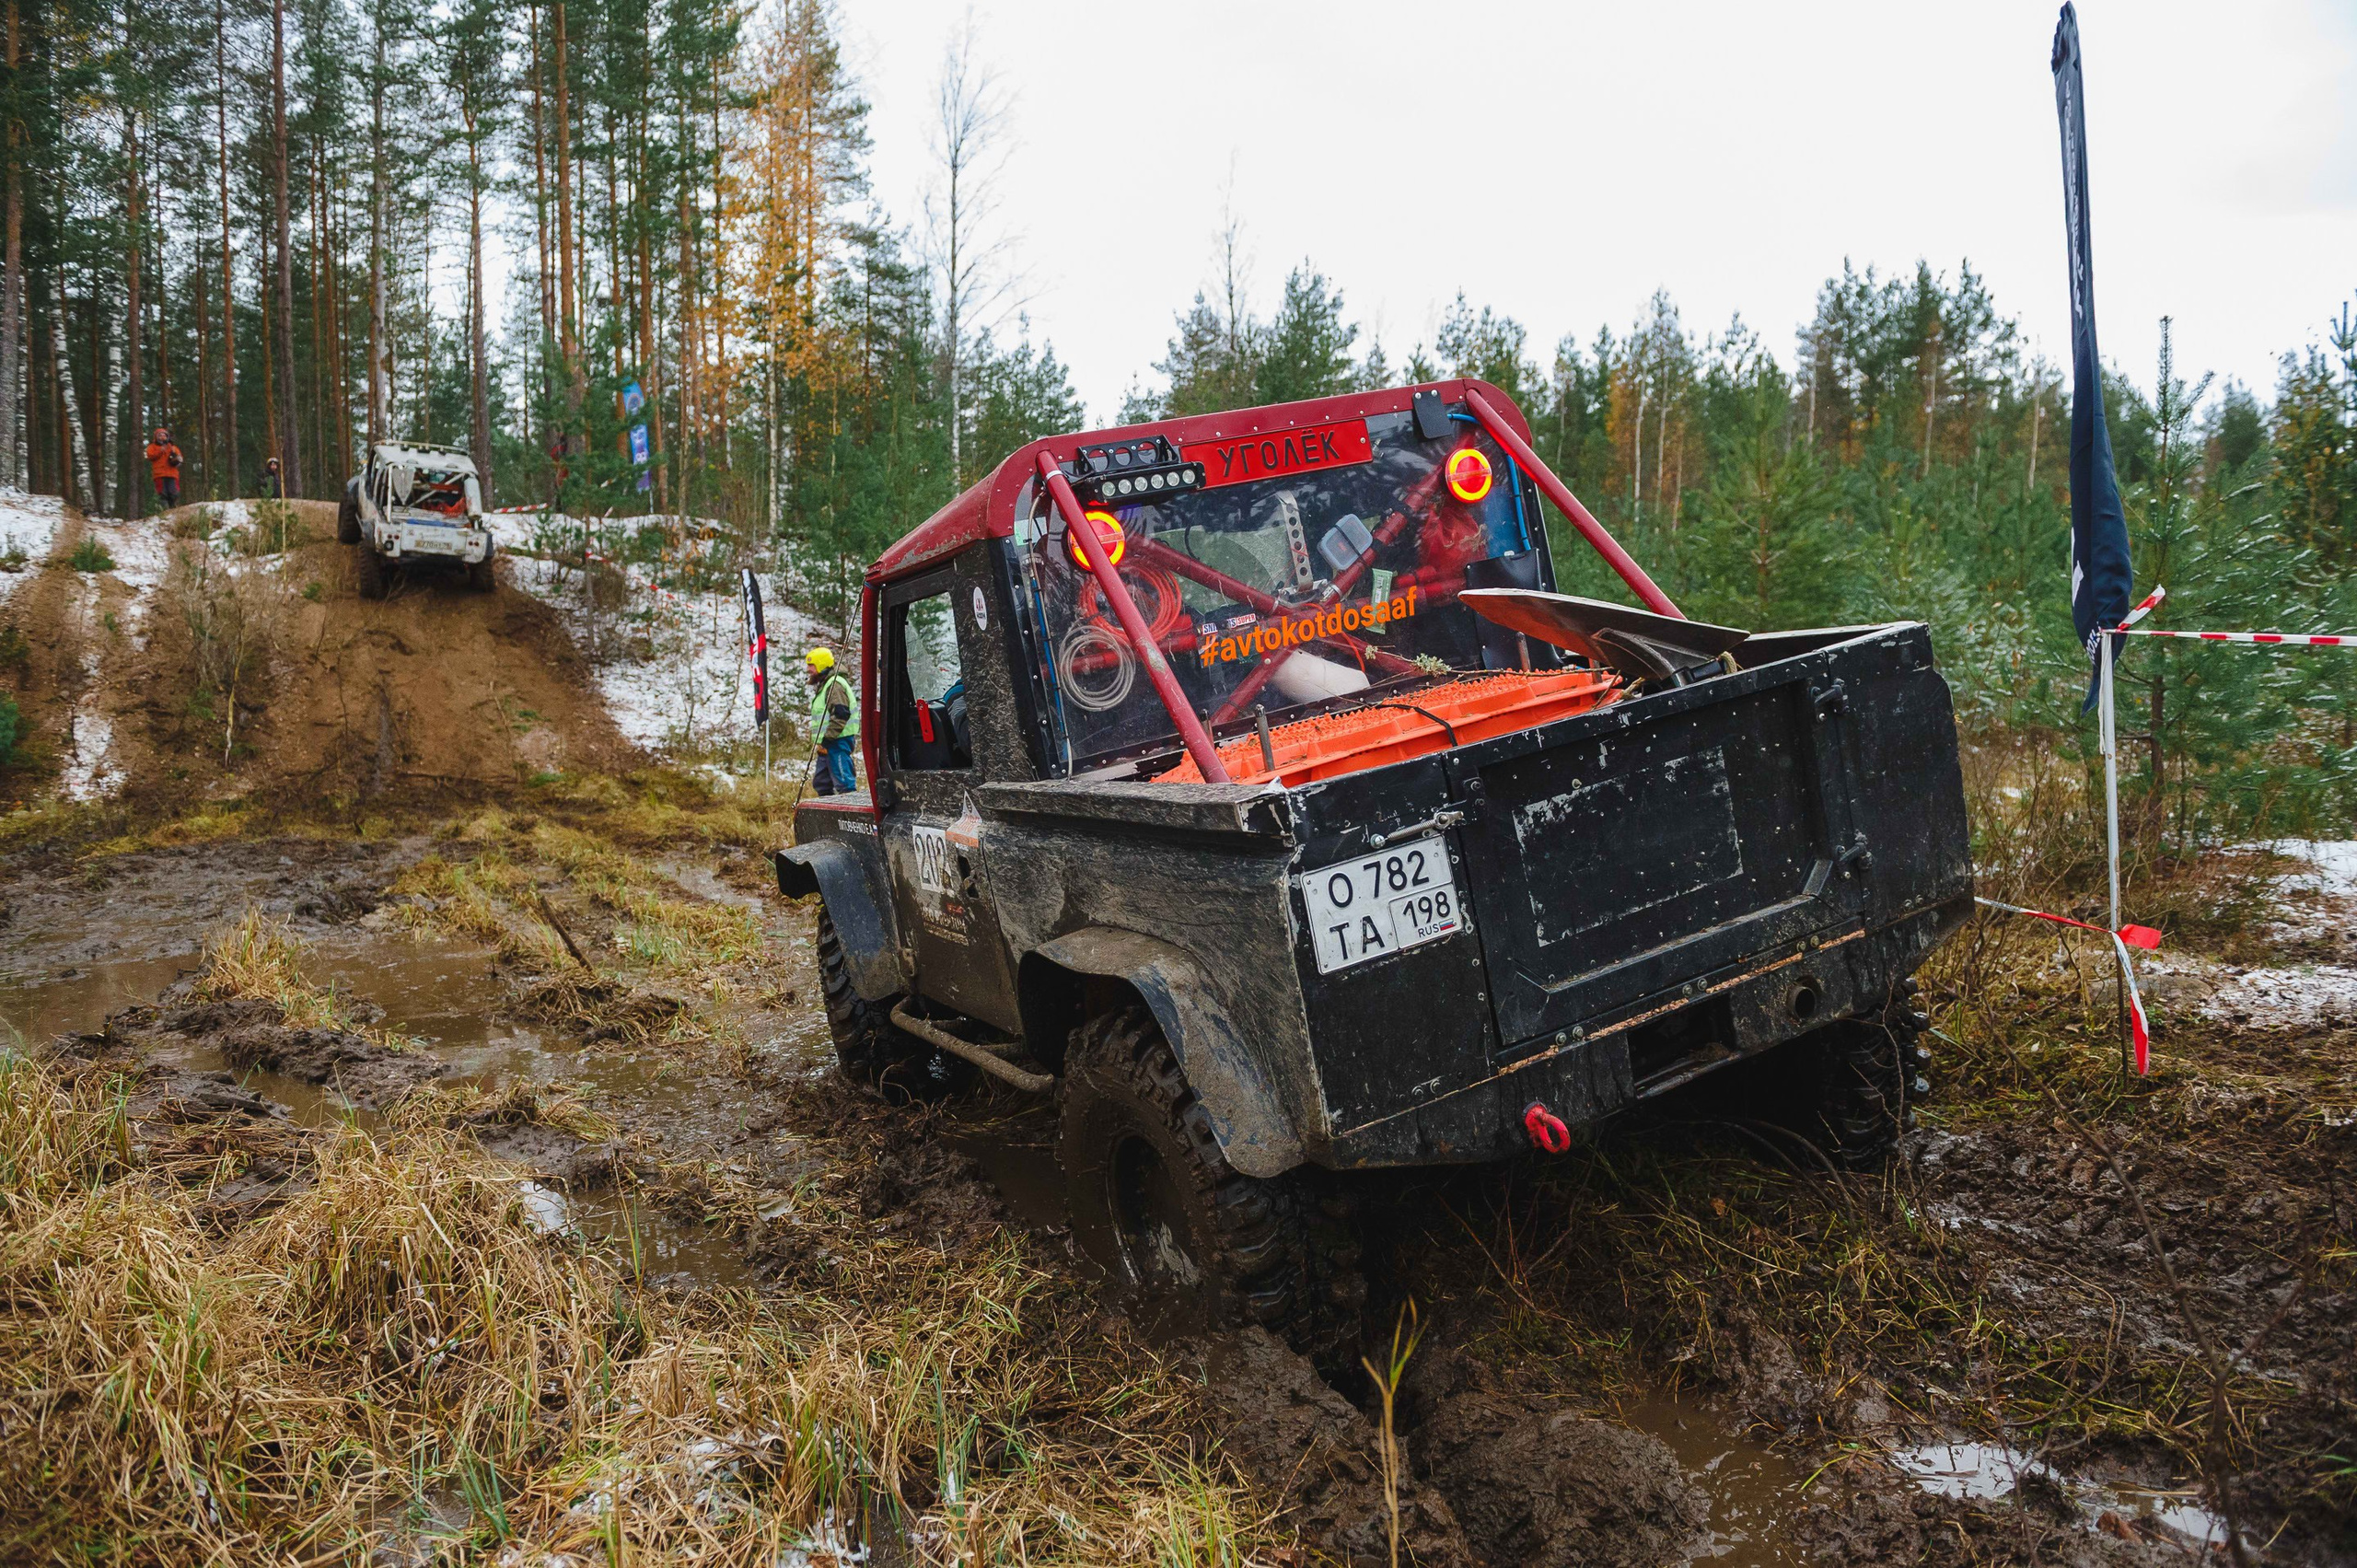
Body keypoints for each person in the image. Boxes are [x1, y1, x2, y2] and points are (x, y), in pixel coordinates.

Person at [806, 646, 859, 796]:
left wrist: (828, 739)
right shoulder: (826, 684)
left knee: (845, 784)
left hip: (837, 740)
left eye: (811, 665)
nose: (808, 669)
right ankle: (828, 809)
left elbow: (841, 714)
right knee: (822, 783)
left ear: (821, 665)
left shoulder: (834, 685)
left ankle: (849, 808)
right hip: (828, 742)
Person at [143, 426, 183, 512]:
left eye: (164, 435)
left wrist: (177, 459)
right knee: (162, 494)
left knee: (174, 493)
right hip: (159, 475)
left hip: (172, 474)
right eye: (160, 435)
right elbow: (150, 456)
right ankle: (164, 511)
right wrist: (160, 451)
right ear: (156, 437)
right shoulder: (152, 447)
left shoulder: (173, 447)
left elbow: (179, 458)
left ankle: (174, 510)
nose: (162, 437)